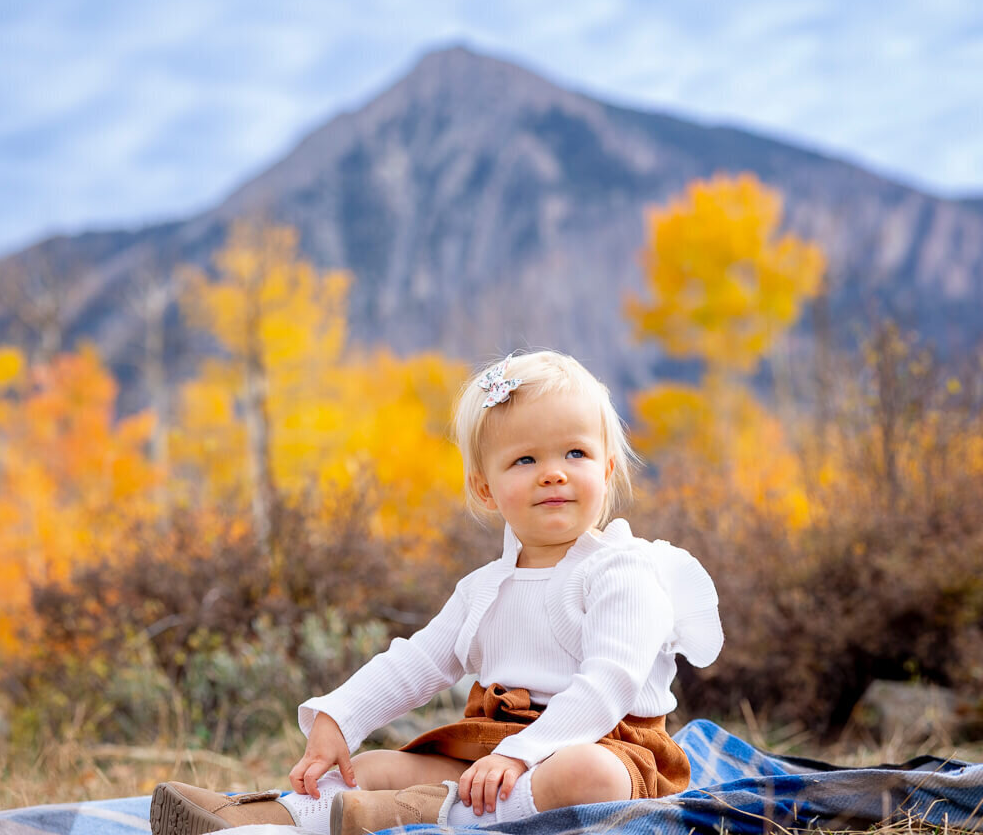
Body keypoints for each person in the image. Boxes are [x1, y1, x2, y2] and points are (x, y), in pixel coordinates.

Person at [150, 350, 723, 835]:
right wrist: (338, 719)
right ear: (486, 487)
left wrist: (521, 755)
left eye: (575, 453)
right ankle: (258, 817)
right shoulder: (484, 589)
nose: (553, 472)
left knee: (586, 776)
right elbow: (417, 663)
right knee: (371, 767)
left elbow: (609, 685)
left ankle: (426, 817)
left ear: (608, 466)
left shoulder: (623, 572)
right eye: (525, 459)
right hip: (492, 748)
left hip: (604, 746)